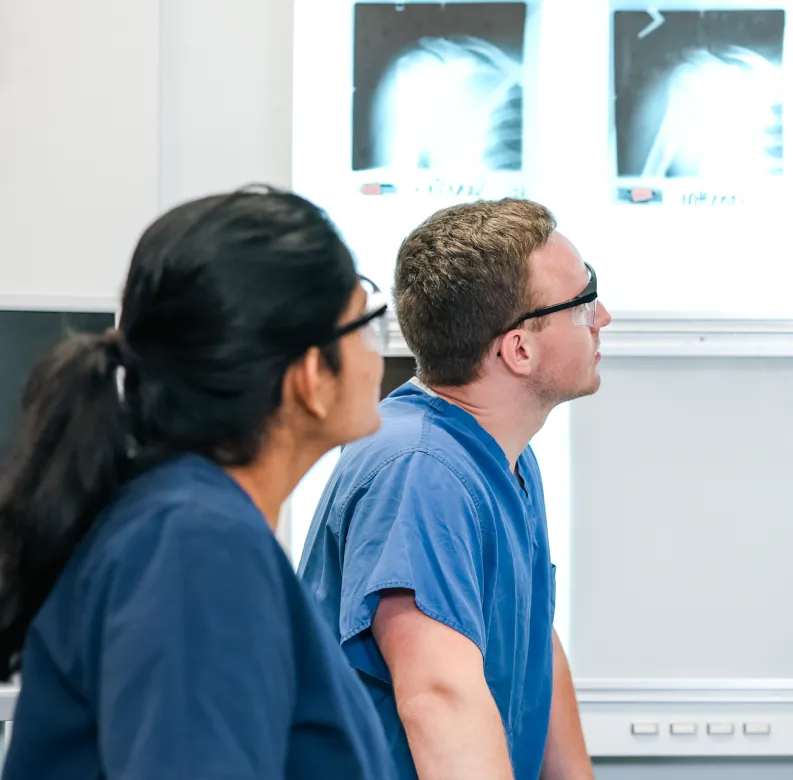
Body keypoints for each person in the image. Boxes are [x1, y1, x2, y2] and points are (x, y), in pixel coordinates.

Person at [0, 189, 394, 779]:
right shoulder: (196, 546)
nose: (377, 355)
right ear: (311, 376)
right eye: (365, 324)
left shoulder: (186, 525)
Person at [297, 198, 605, 780]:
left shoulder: (504, 456)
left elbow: (534, 637)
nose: (603, 317)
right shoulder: (421, 471)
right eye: (585, 303)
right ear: (519, 349)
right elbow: (439, 698)